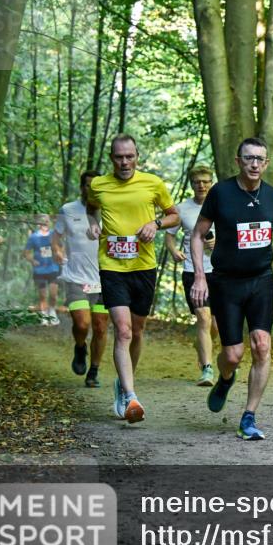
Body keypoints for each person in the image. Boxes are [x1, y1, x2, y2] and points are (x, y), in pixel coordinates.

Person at [189, 137, 273, 441]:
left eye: (260, 159)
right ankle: (225, 380)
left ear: (266, 163)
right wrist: (200, 276)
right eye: (249, 158)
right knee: (233, 355)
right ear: (238, 161)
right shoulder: (221, 193)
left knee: (262, 345)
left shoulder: (272, 196)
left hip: (261, 280)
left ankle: (249, 416)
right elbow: (198, 236)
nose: (255, 164)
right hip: (226, 282)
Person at [87, 134, 180, 424]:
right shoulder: (98, 184)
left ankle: (123, 383)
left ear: (137, 156)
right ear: (111, 158)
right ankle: (130, 395)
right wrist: (93, 225)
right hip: (112, 266)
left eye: (129, 156)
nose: (124, 162)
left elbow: (174, 215)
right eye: (118, 157)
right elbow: (92, 209)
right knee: (123, 331)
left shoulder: (153, 183)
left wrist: (156, 224)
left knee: (137, 331)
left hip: (144, 266)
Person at [53, 170, 109, 387]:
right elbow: (56, 238)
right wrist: (57, 251)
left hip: (105, 279)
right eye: (88, 186)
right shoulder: (68, 210)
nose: (91, 189)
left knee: (101, 327)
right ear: (82, 187)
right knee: (83, 323)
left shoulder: (112, 210)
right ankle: (80, 347)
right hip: (75, 277)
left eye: (96, 186)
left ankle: (93, 371)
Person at [166, 165, 218, 386]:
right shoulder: (182, 208)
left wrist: (219, 242)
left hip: (219, 271)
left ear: (211, 183)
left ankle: (201, 346)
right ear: (191, 184)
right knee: (203, 318)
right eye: (197, 182)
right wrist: (173, 250)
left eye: (206, 181)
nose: (202, 185)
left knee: (216, 326)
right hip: (192, 271)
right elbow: (170, 235)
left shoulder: (222, 205)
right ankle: (207, 369)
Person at [24, 214, 61, 325]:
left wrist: (59, 255)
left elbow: (61, 247)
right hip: (39, 271)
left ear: (49, 222)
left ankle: (52, 312)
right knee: (43, 295)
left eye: (47, 220)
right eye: (42, 221)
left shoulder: (54, 235)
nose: (45, 222)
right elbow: (25, 253)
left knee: (53, 294)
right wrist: (32, 261)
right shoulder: (33, 237)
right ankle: (44, 315)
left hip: (53, 268)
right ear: (38, 223)